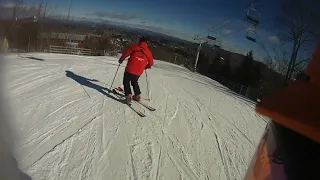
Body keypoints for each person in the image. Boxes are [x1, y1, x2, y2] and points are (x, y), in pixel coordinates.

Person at [118, 36, 154, 104]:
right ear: (146, 43)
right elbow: (151, 63)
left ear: (140, 41)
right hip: (139, 71)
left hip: (129, 69)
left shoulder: (135, 47)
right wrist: (147, 66)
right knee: (134, 82)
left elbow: (126, 53)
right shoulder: (148, 52)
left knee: (126, 82)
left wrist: (121, 59)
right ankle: (137, 95)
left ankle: (128, 95)